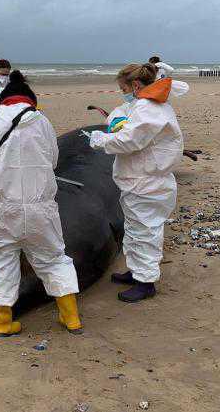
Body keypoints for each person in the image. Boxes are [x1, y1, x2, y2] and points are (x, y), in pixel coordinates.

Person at [0, 71, 82, 336]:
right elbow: (53, 160)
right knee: (53, 259)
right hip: (40, 208)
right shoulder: (43, 122)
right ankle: (71, 317)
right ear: (30, 101)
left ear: (2, 101)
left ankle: (2, 322)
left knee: (1, 261)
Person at [88, 63, 184, 302]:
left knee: (145, 232)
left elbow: (130, 140)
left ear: (136, 85)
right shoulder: (148, 105)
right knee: (134, 230)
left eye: (123, 88)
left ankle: (146, 282)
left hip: (148, 182)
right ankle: (137, 272)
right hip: (140, 180)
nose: (123, 92)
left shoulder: (149, 108)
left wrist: (101, 140)